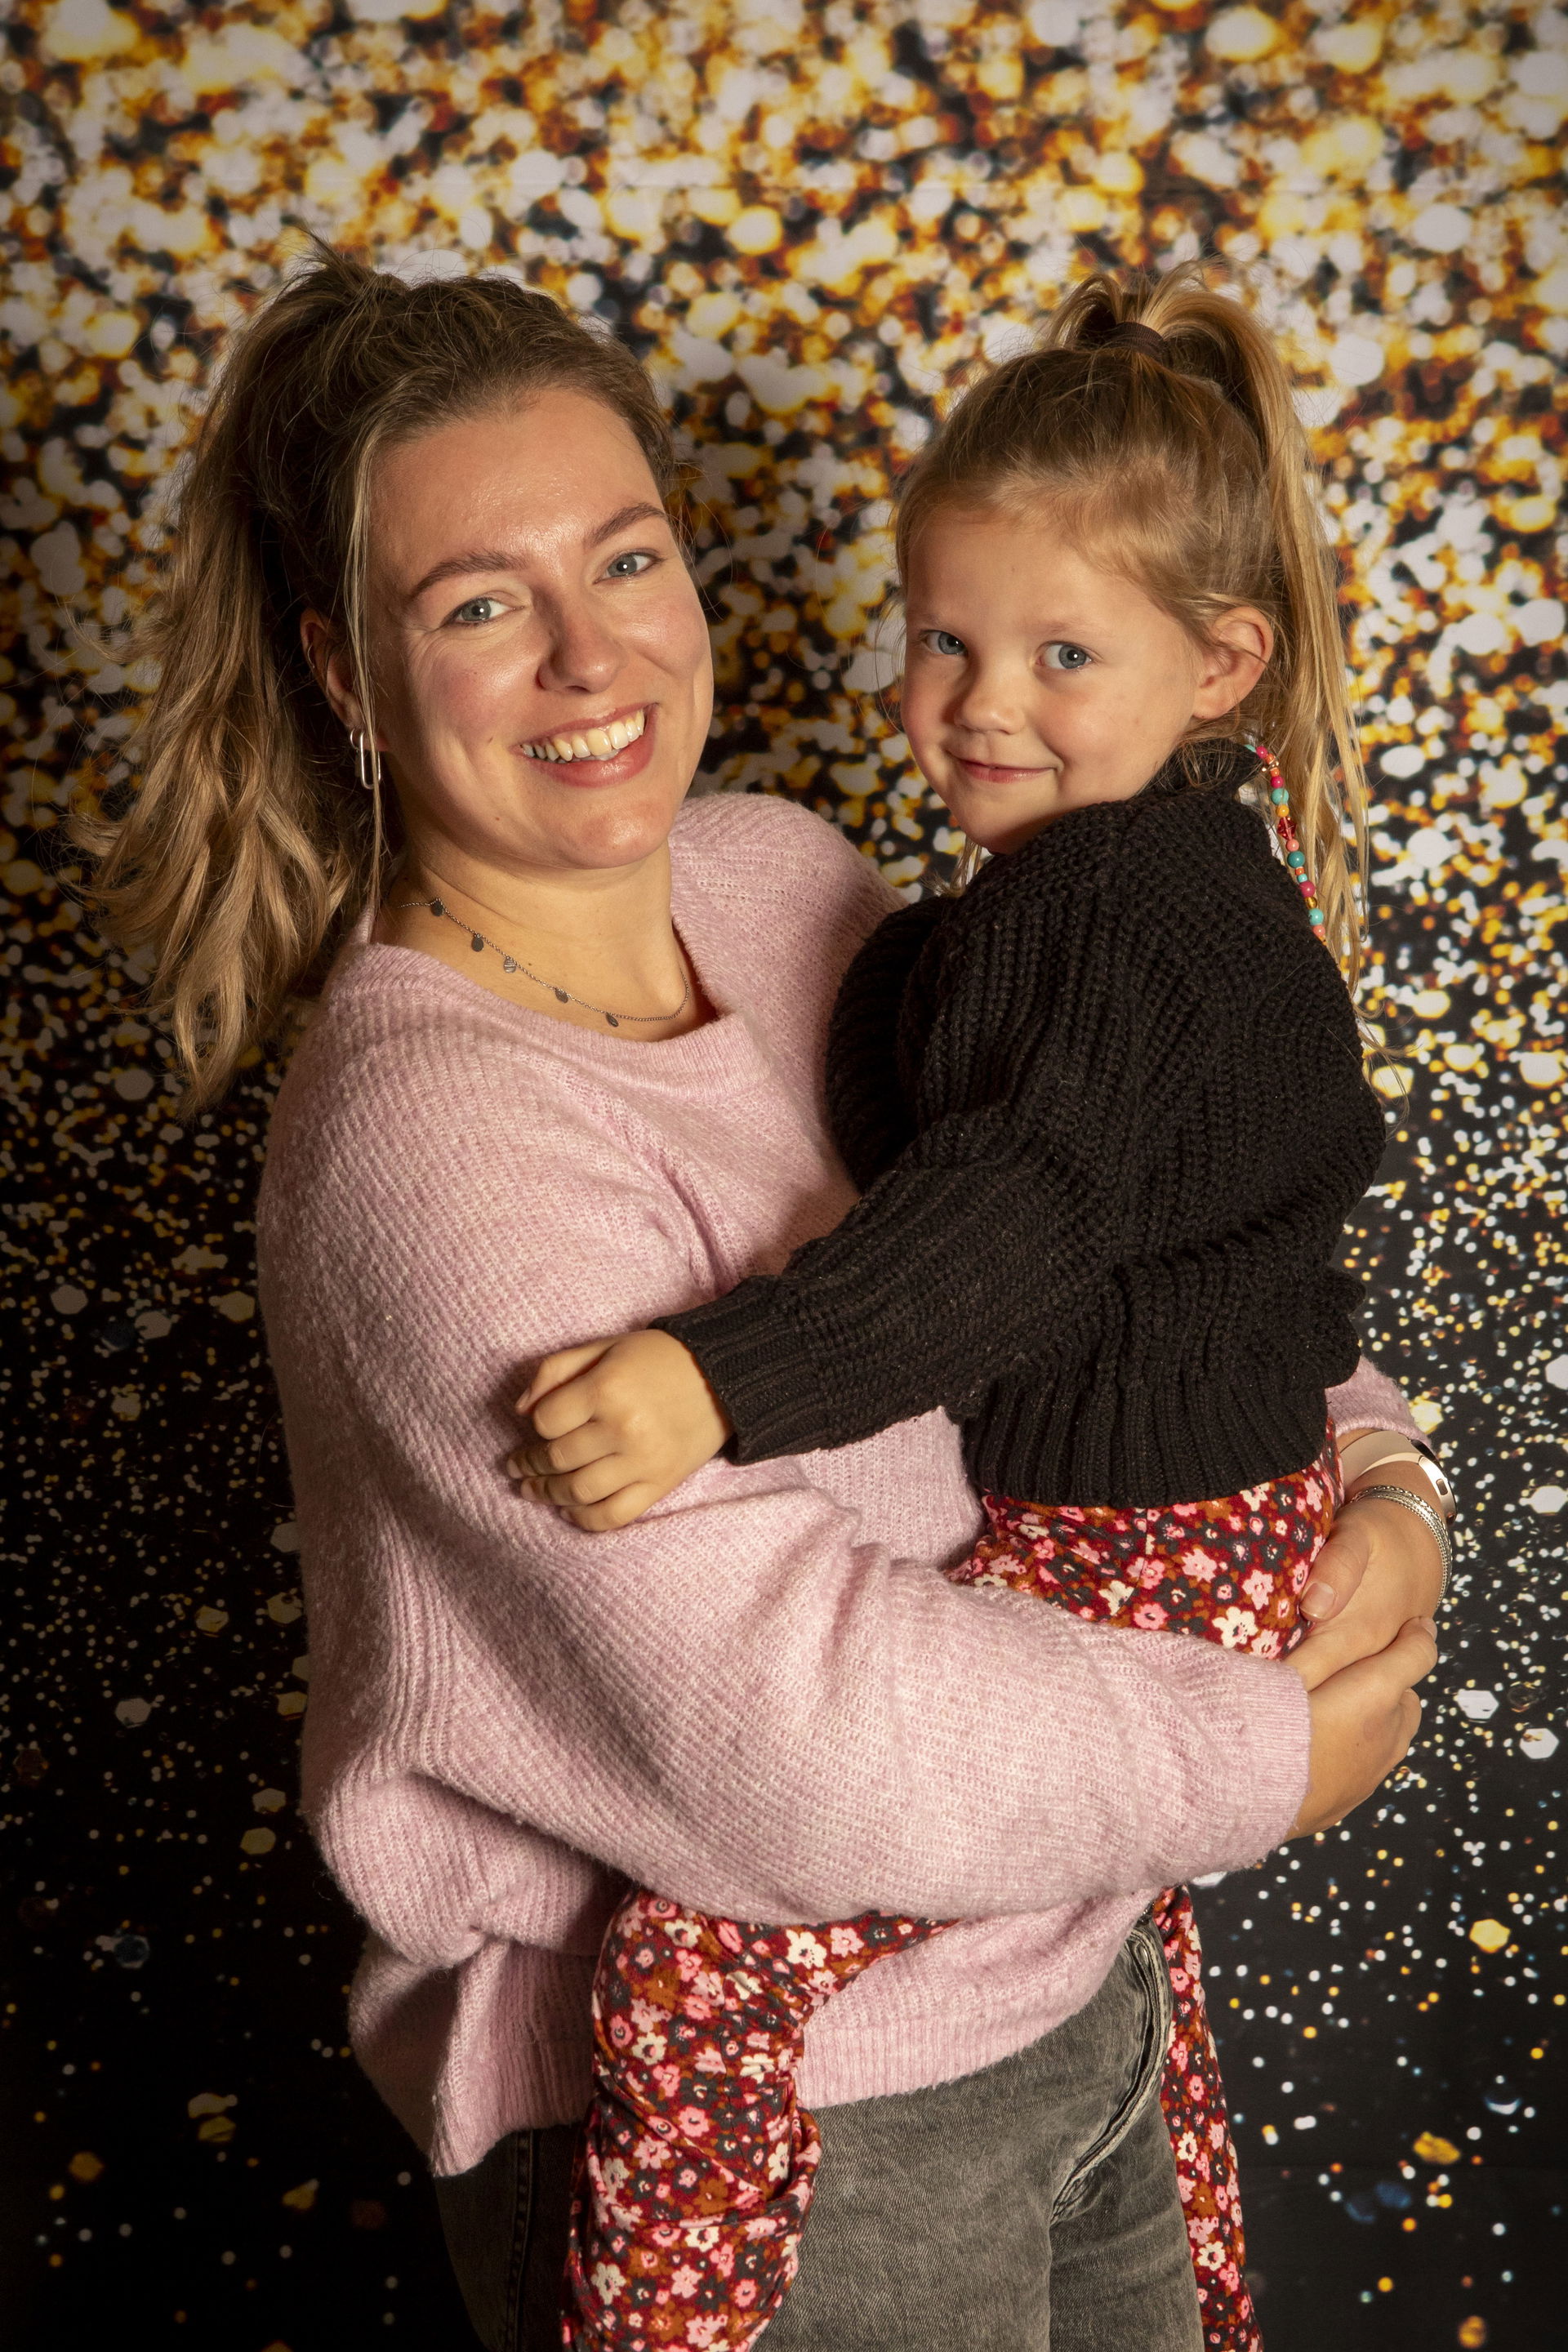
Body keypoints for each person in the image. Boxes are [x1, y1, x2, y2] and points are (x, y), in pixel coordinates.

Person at [78, 247, 1444, 2352]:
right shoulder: (429, 1146)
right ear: (348, 679)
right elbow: (790, 1745)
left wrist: (1375, 1469)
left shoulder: (785, 880)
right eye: (474, 604)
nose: (584, 655)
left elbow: (1119, 1224)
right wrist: (1270, 1747)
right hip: (802, 2137)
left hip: (1075, 1988)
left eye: (624, 558)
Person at [505, 269, 1459, 2352]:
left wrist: (710, 1378)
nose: (979, 700)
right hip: (1192, 1529)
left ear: (1222, 664)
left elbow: (1012, 1214)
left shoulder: (1114, 912)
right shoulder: (1108, 887)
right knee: (1111, 1931)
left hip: (1151, 1565)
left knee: (693, 1969)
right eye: (942, 638)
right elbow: (968, 1121)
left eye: (1059, 653)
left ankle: (666, 2323)